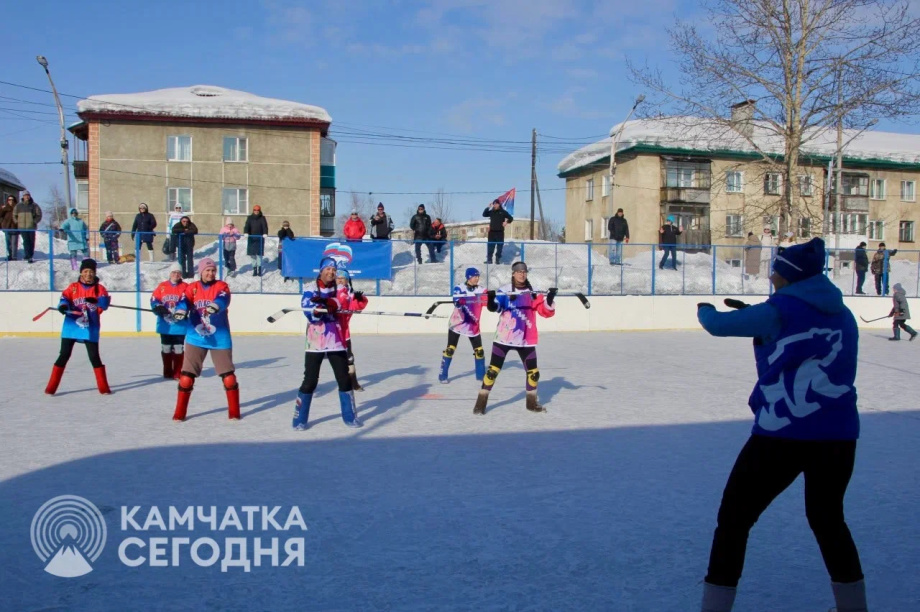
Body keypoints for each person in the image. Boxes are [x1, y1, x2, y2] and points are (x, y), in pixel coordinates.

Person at [695, 237, 866, 612]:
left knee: (734, 519)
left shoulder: (779, 309)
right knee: (828, 519)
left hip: (782, 435)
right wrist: (762, 321)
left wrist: (704, 308)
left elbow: (718, 325)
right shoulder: (842, 313)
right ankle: (854, 608)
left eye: (776, 271)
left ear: (788, 276)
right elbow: (800, 341)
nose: (771, 277)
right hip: (838, 437)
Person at [474, 261, 556, 415]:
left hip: (526, 339)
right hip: (504, 338)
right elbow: (495, 308)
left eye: (524, 271)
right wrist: (491, 299)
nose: (522, 274)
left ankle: (531, 403)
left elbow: (546, 312)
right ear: (513, 273)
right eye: (518, 271)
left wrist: (550, 299)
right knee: (492, 372)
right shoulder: (505, 291)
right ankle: (480, 404)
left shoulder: (533, 293)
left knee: (533, 373)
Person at [292, 257, 361, 430]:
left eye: (333, 269)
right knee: (310, 381)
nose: (331, 272)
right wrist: (316, 310)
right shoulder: (310, 288)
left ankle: (350, 417)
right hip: (316, 340)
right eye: (328, 269)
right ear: (321, 270)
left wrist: (332, 303)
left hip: (335, 340)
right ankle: (299, 419)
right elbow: (308, 309)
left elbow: (343, 301)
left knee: (344, 379)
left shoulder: (339, 288)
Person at [172, 258, 239, 421]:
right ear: (201, 271)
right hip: (196, 337)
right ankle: (179, 413)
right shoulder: (192, 288)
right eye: (207, 270)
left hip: (219, 337)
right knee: (186, 379)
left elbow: (224, 298)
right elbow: (184, 301)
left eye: (213, 270)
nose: (210, 273)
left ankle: (234, 413)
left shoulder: (221, 286)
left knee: (229, 379)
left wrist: (215, 306)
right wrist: (180, 311)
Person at [44, 258, 112, 396]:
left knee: (94, 357)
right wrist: (63, 306)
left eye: (91, 272)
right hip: (71, 327)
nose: (88, 274)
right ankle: (51, 387)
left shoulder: (100, 288)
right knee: (64, 355)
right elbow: (64, 299)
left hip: (90, 328)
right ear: (81, 273)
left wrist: (97, 301)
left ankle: (104, 388)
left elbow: (104, 304)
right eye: (85, 271)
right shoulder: (73, 287)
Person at [439, 267, 487, 384]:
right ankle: (443, 375)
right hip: (457, 324)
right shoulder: (459, 288)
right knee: (450, 349)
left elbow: (489, 303)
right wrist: (460, 301)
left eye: (478, 276)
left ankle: (481, 376)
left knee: (479, 351)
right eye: (474, 276)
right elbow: (456, 302)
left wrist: (495, 297)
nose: (477, 278)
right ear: (468, 277)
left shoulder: (481, 290)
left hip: (472, 325)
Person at [151, 263, 190, 379]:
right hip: (165, 325)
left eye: (178, 272)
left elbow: (187, 301)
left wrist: (182, 311)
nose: (176, 274)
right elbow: (154, 299)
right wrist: (158, 307)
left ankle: (178, 372)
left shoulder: (185, 286)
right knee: (166, 347)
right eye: (174, 272)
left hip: (180, 325)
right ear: (170, 273)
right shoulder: (162, 286)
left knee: (178, 348)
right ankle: (167, 371)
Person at [335, 268, 369, 391]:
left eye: (342, 278)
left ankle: (353, 382)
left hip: (344, 333)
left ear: (347, 280)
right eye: (337, 278)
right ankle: (312, 382)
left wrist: (360, 299)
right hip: (329, 333)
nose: (339, 281)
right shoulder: (330, 292)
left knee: (349, 358)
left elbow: (355, 307)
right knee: (319, 359)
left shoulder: (349, 294)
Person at [482, 198, 513, 265]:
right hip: (492, 233)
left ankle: (497, 259)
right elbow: (484, 214)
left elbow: (511, 218)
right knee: (490, 246)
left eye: (496, 204)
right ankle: (489, 260)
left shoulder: (503, 212)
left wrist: (506, 222)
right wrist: (488, 207)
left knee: (500, 247)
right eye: (494, 204)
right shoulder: (491, 212)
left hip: (500, 233)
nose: (495, 205)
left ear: (499, 204)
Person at [14, 191, 42, 263]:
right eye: (25, 195)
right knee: (26, 241)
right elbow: (14, 215)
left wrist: (34, 221)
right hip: (22, 227)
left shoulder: (34, 205)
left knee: (31, 241)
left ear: (30, 196)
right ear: (23, 197)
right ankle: (27, 255)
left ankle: (30, 255)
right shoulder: (18, 206)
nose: (27, 197)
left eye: (28, 195)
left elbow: (39, 215)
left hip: (31, 227)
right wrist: (17, 222)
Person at [244, 204, 269, 277]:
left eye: (257, 210)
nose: (256, 211)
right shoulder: (249, 218)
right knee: (252, 255)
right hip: (251, 238)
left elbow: (265, 226)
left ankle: (259, 269)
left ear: (259, 211)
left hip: (259, 238)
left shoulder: (262, 218)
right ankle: (254, 269)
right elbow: (247, 226)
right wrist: (246, 232)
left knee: (259, 255)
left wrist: (265, 233)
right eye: (255, 210)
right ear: (253, 210)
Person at [0, 195, 17, 261]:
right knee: (8, 242)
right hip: (7, 227)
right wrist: (1, 209)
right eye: (9, 200)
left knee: (14, 243)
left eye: (12, 200)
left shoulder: (16, 207)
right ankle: (9, 255)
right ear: (7, 201)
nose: (11, 201)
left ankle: (14, 256)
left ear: (14, 200)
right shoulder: (5, 208)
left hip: (15, 227)